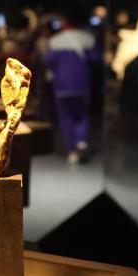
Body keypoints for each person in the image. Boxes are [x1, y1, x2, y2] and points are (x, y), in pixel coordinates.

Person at [46, 8, 98, 163]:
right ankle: (82, 141)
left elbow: (49, 61)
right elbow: (96, 58)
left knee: (66, 116)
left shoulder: (55, 41)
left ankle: (72, 149)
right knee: (82, 114)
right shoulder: (88, 39)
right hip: (82, 84)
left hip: (62, 85)